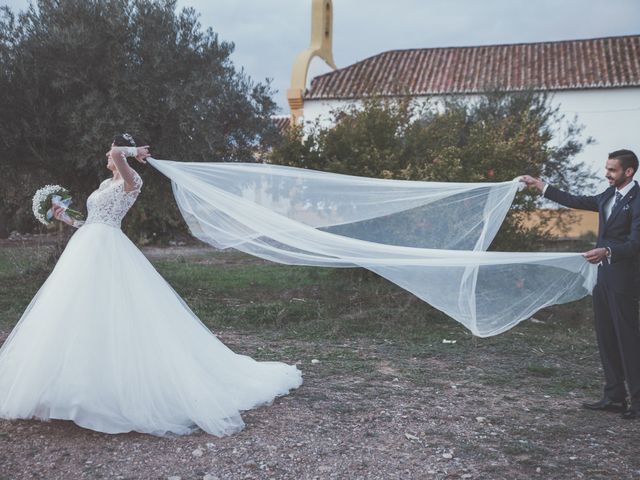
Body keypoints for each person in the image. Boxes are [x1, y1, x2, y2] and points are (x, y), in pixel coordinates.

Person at [0, 134, 302, 436]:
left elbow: (118, 156)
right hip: (87, 244)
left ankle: (110, 392)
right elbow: (91, 220)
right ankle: (68, 387)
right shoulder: (106, 185)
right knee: (75, 310)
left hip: (108, 248)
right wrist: (64, 216)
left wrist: (132, 152)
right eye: (110, 149)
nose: (107, 154)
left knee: (114, 309)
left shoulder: (132, 181)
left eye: (110, 148)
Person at [521, 149, 640, 420]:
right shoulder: (608, 196)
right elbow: (574, 200)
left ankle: (638, 402)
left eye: (612, 170)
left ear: (629, 172)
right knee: (606, 336)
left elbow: (636, 244)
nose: (606, 173)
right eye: (607, 168)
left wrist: (607, 252)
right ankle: (614, 397)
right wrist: (541, 185)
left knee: (628, 339)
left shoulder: (638, 201)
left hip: (624, 280)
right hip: (603, 277)